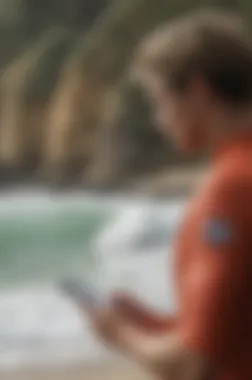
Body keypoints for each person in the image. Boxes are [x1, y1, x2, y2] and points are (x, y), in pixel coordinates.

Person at [80, 9, 252, 380]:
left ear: (197, 91)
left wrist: (119, 335)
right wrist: (152, 325)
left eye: (158, 100)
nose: (159, 120)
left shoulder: (230, 188)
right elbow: (233, 334)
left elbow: (193, 364)